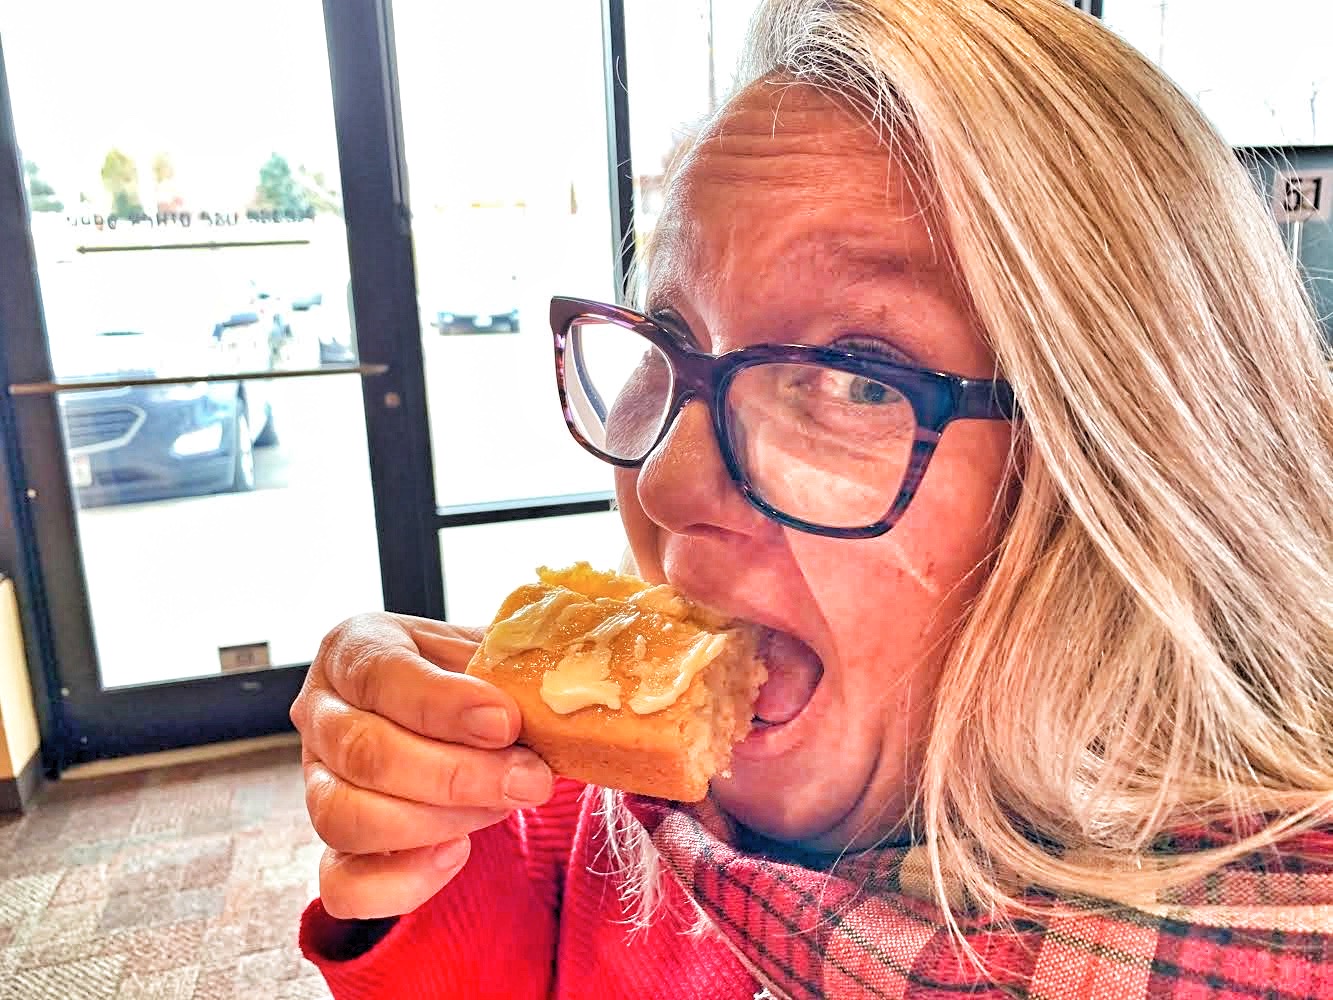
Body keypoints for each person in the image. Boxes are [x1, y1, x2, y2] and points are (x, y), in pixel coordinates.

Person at [290, 0, 1333, 996]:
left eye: (856, 375)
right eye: (671, 341)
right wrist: (435, 852)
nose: (665, 481)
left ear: (1132, 470)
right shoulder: (614, 816)